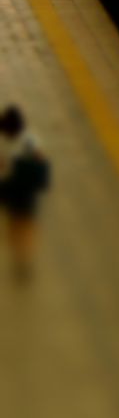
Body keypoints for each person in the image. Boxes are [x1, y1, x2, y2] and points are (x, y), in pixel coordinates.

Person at [0, 105, 48, 284]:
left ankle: (22, 258)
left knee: (18, 224)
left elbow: (3, 165)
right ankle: (23, 258)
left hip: (14, 188)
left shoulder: (7, 142)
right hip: (24, 189)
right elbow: (41, 159)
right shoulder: (30, 139)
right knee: (24, 223)